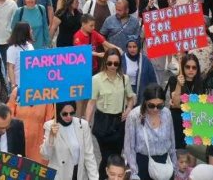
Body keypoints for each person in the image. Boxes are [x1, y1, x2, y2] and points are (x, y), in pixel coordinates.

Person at [86, 49, 135, 178]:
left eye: (116, 63)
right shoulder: (96, 79)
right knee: (107, 157)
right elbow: (91, 102)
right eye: (109, 63)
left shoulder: (124, 79)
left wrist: (128, 109)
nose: (112, 66)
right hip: (103, 121)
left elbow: (131, 98)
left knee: (117, 156)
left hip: (119, 123)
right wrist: (86, 123)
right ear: (105, 62)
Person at [124, 84, 177, 180]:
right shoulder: (134, 116)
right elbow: (129, 147)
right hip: (142, 163)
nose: (155, 109)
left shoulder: (166, 113)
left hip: (164, 163)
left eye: (160, 105)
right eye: (151, 105)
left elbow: (171, 141)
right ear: (145, 102)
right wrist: (134, 172)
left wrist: (174, 166)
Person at [41, 101, 101, 180]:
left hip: (78, 174)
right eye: (65, 114)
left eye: (72, 113)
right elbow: (45, 156)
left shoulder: (83, 125)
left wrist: (94, 178)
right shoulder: (50, 125)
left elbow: (89, 155)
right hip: (60, 175)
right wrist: (51, 136)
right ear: (58, 112)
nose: (69, 116)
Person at [166, 53, 205, 148]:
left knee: (193, 150)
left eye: (194, 67)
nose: (191, 70)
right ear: (183, 67)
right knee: (179, 149)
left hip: (194, 120)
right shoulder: (174, 80)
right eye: (187, 67)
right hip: (178, 119)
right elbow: (176, 104)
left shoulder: (201, 82)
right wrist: (179, 85)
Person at [5, 22, 34, 89]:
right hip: (18, 84)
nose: (32, 31)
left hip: (29, 83)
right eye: (30, 29)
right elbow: (10, 67)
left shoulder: (30, 46)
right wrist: (13, 85)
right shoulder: (12, 49)